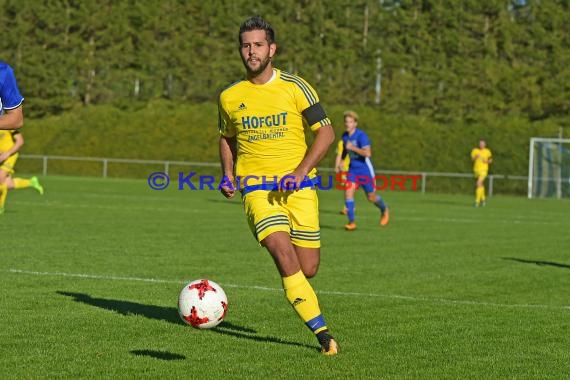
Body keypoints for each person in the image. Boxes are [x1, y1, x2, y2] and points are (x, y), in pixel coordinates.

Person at [218, 16, 338, 355]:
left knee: (308, 268)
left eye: (257, 45)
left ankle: (306, 303)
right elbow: (226, 138)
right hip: (257, 189)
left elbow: (326, 133)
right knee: (283, 254)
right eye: (245, 45)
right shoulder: (229, 96)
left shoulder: (296, 87)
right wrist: (228, 174)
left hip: (299, 188)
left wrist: (300, 172)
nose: (251, 51)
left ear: (272, 49)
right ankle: (323, 335)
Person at [0, 62, 43, 214]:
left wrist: (7, 153)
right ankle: (30, 182)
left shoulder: (3, 72)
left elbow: (16, 120)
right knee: (5, 182)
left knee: (1, 181)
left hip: (7, 156)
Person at [340, 110, 389, 231]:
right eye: (346, 122)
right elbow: (345, 150)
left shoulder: (361, 136)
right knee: (348, 193)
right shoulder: (345, 136)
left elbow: (368, 153)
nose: (347, 124)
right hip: (352, 170)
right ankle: (351, 223)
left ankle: (384, 209)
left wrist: (354, 148)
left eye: (350, 122)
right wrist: (341, 160)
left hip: (365, 170)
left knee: (371, 198)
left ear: (355, 123)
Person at [471, 138, 492, 207]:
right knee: (481, 185)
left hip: (484, 170)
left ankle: (477, 201)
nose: (481, 145)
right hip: (476, 170)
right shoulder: (475, 150)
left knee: (478, 183)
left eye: (483, 143)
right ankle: (483, 200)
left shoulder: (487, 151)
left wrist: (487, 161)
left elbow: (490, 160)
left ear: (485, 144)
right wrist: (475, 157)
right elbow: (472, 159)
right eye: (480, 143)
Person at [334, 138, 350, 215]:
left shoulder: (356, 141)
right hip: (344, 168)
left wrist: (336, 166)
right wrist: (337, 166)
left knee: (348, 187)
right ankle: (348, 206)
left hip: (351, 169)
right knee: (346, 188)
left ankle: (348, 207)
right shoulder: (342, 142)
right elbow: (339, 155)